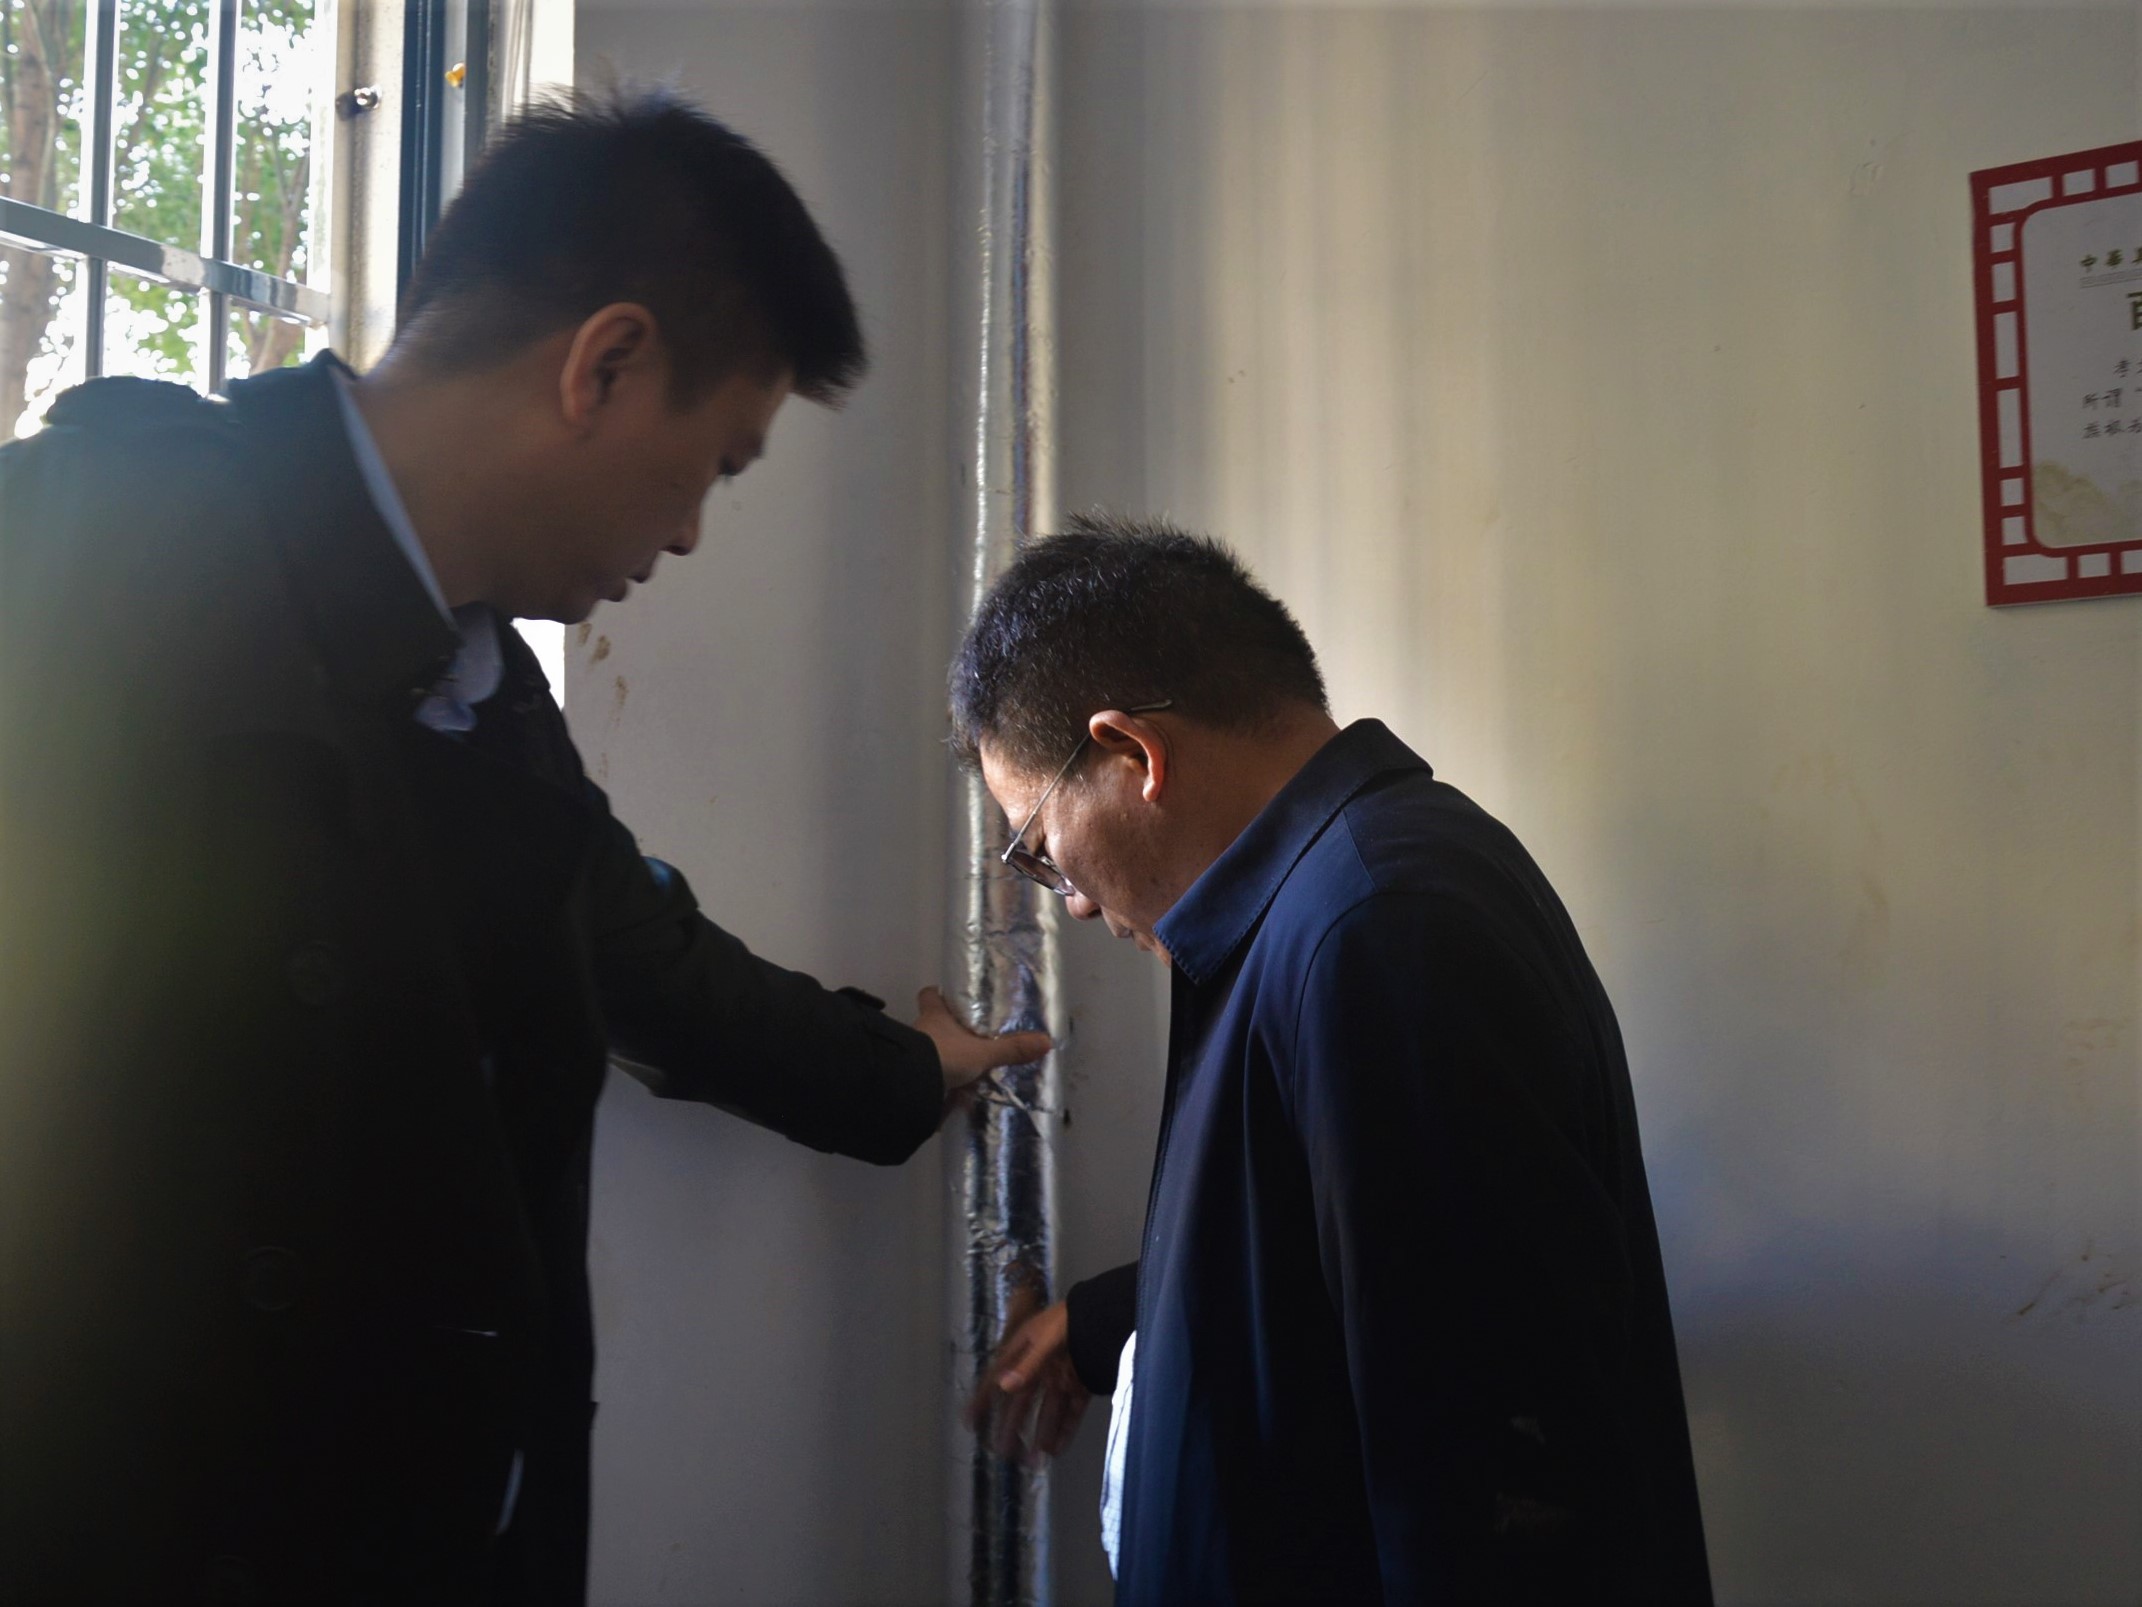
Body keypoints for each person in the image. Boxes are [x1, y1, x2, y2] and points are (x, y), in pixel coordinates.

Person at [0, 90, 1046, 1603]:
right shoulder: (70, 542)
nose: (688, 534)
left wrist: (905, 1068)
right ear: (604, 364)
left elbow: (645, 960)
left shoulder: (484, 688)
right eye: (718, 462)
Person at [954, 515, 1713, 1604]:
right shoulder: (1334, 903)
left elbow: (1489, 1476)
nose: (1069, 898)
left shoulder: (1379, 932)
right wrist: (1119, 1316)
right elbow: (1353, 1255)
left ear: (1133, 756)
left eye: (1041, 847)